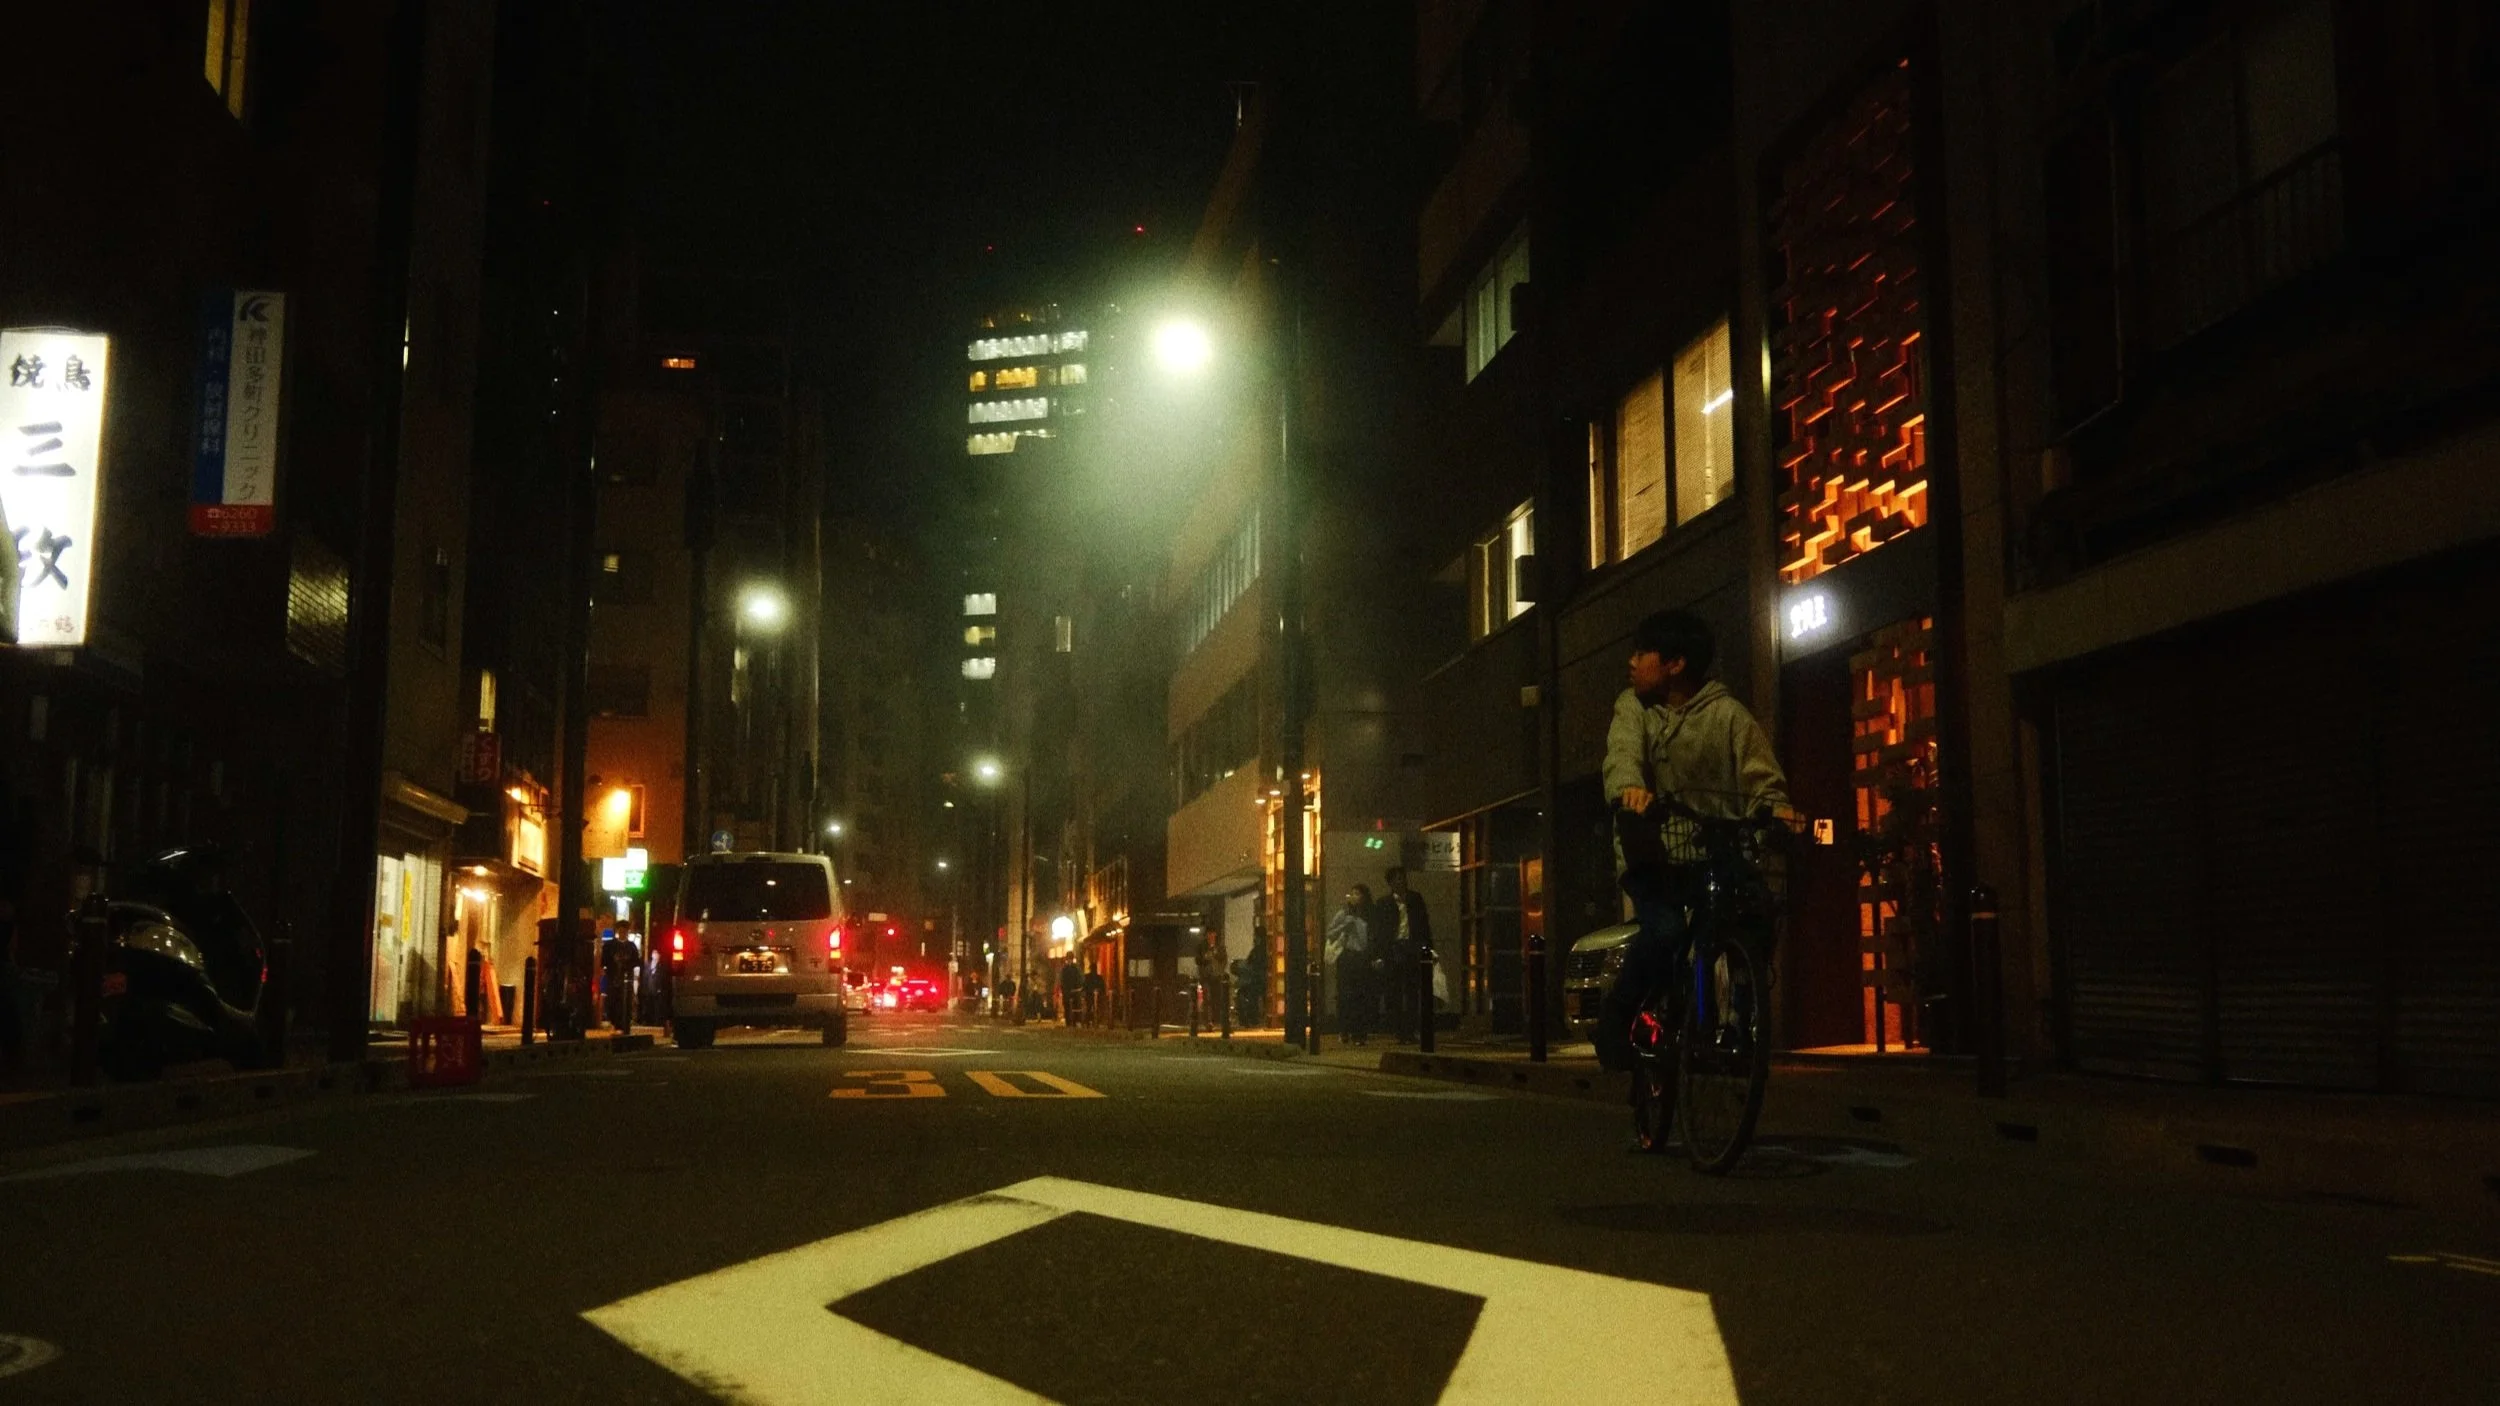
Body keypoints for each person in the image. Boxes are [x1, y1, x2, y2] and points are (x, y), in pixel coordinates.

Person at [1595, 609, 1788, 1074]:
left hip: (1714, 852)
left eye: (1642, 653)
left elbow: (1765, 782)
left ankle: (1741, 1019)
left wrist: (1778, 809)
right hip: (1652, 852)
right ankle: (1617, 1015)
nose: (1632, 662)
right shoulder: (1633, 709)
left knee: (1757, 910)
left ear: (1676, 663)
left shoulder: (1729, 717)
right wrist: (1630, 789)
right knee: (1664, 931)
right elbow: (1621, 758)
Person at [1383, 867, 1432, 1042]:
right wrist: (1380, 954)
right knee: (1395, 992)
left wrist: (1428, 949)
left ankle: (1411, 1029)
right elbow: (1379, 932)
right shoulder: (1385, 903)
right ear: (1390, 883)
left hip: (1412, 948)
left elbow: (1424, 925)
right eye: (1396, 879)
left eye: (1403, 878)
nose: (1401, 882)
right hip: (1395, 949)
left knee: (1412, 991)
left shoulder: (1415, 899)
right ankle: (1399, 1030)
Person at [1325, 886, 1375, 1046]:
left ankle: (1360, 1033)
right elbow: (1330, 933)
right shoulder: (1343, 914)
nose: (1354, 897)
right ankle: (1345, 1029)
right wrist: (1345, 926)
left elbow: (1369, 938)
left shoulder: (1368, 915)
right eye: (1352, 893)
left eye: (1358, 894)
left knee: (1361, 995)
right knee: (1345, 995)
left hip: (1361, 957)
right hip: (1346, 956)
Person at [1057, 960, 1083, 1027]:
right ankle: (1074, 1021)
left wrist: (1064, 989)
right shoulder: (1076, 968)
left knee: (1067, 1007)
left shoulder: (1065, 969)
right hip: (1074, 990)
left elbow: (1062, 980)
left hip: (1067, 991)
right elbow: (1080, 979)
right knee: (1074, 1006)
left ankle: (1069, 1022)